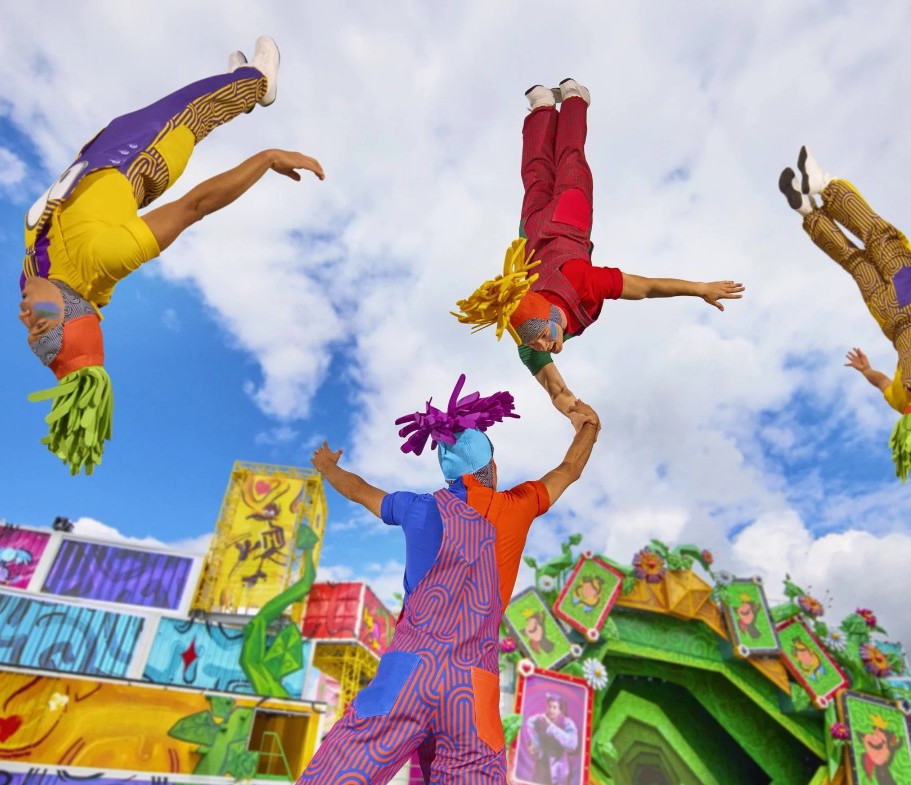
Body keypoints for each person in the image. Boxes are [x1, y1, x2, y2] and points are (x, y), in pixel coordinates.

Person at [20, 36, 325, 475]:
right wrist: (268, 157)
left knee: (149, 114)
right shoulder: (105, 259)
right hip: (140, 160)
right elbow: (194, 207)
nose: (26, 317)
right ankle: (257, 82)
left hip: (92, 161)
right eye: (41, 323)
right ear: (69, 310)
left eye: (31, 332)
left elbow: (49, 317)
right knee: (189, 111)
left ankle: (231, 86)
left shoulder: (34, 277)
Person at [298, 374, 600, 785]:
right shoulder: (519, 505)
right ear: (491, 466)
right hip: (471, 689)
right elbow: (569, 469)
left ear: (450, 475)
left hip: (407, 675)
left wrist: (328, 467)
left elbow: (358, 490)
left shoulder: (416, 508)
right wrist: (589, 427)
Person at [453, 79, 744, 430]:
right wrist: (576, 415)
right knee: (537, 177)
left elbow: (646, 287)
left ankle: (574, 99)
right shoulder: (528, 344)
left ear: (548, 313)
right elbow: (556, 390)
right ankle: (543, 106)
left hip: (565, 218)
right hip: (533, 229)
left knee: (569, 160)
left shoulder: (581, 282)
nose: (545, 345)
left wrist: (700, 289)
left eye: (542, 334)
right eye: (536, 341)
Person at [778, 147, 911, 481]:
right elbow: (882, 382)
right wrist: (866, 370)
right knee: (856, 263)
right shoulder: (903, 402)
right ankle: (807, 212)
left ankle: (824, 186)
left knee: (882, 240)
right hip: (888, 319)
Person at [525, 694, 579, 785]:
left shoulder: (567, 723)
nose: (551, 710)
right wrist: (534, 744)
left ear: (560, 710)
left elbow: (572, 745)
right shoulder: (540, 720)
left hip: (558, 770)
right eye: (549, 706)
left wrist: (551, 728)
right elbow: (530, 723)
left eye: (554, 707)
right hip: (541, 768)